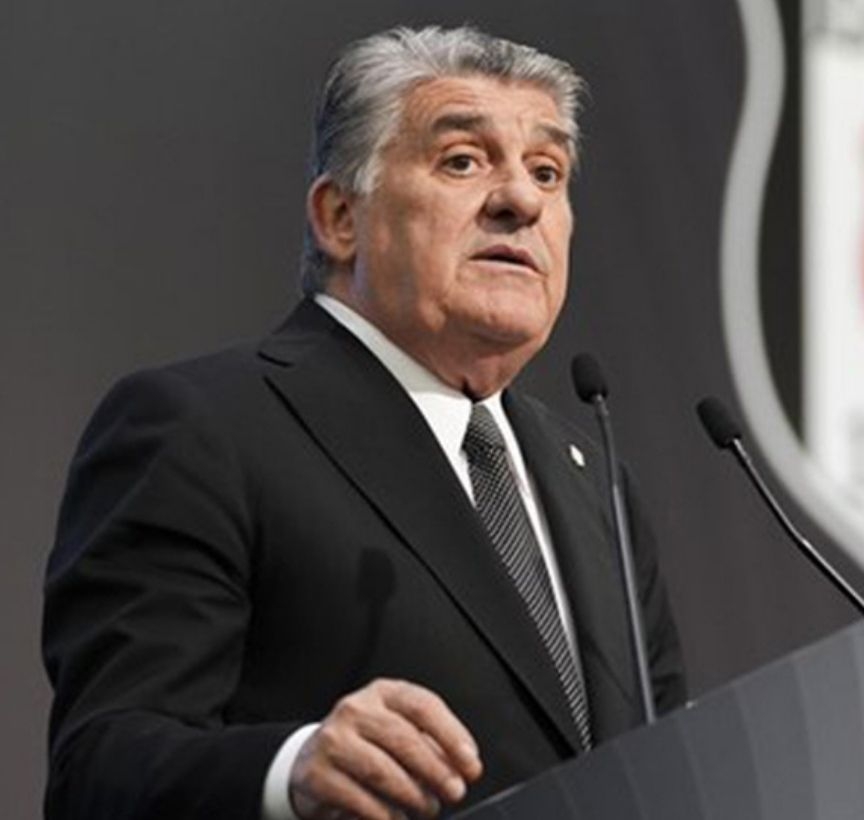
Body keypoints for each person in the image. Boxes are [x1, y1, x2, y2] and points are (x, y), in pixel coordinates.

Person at [42, 25, 686, 820]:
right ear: (340, 216)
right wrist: (291, 771)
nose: (521, 200)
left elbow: (671, 766)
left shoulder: (595, 483)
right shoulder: (203, 429)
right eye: (463, 160)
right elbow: (100, 768)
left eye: (547, 171)